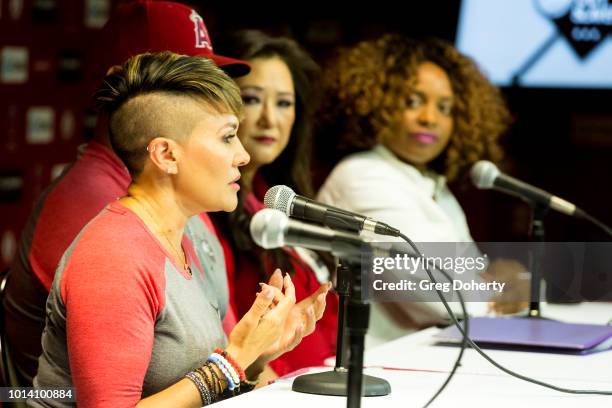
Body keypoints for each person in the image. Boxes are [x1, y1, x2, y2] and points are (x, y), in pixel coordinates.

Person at [30, 51, 328, 407]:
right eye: (227, 137)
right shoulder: (113, 258)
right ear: (166, 155)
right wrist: (232, 362)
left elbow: (198, 383)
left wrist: (257, 354)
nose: (242, 156)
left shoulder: (185, 237)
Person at [3, 1, 249, 387]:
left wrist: (256, 353)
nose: (205, 91)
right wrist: (234, 366)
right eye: (179, 75)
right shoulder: (96, 216)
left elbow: (222, 345)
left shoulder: (190, 201)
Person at [317, 35, 524, 346]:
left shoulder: (432, 185)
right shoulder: (362, 176)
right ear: (378, 103)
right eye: (413, 101)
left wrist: (511, 280)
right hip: (379, 372)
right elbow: (444, 299)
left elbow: (471, 275)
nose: (430, 118)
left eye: (445, 108)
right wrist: (506, 291)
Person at [212, 30, 338, 377]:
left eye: (284, 103)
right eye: (252, 99)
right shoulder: (212, 210)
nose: (270, 118)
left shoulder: (277, 195)